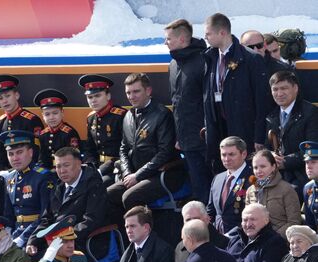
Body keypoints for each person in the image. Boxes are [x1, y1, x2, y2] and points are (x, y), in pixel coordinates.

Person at [107, 73, 182, 224]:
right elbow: (123, 149)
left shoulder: (162, 114)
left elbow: (165, 153)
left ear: (148, 91)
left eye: (136, 91)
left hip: (162, 174)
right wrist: (128, 173)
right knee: (107, 195)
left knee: (129, 197)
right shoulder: (128, 115)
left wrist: (138, 176)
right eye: (128, 92)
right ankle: (126, 237)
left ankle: (145, 236)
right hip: (134, 174)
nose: (131, 96)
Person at [202, 13, 268, 168]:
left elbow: (262, 100)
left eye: (208, 34)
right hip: (218, 128)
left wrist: (259, 136)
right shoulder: (209, 58)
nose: (206, 38)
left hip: (243, 129)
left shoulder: (251, 59)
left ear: (222, 33)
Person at [27, 147, 107, 258]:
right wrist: (33, 241)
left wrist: (63, 238)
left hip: (81, 243)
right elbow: (46, 219)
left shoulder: (93, 185)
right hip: (57, 241)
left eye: (66, 165)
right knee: (27, 254)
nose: (62, 170)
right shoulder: (58, 185)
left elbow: (91, 221)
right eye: (58, 166)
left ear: (79, 164)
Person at [164, 18, 212, 204]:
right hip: (186, 141)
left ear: (182, 39)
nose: (165, 43)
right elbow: (177, 104)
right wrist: (179, 136)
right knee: (199, 189)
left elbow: (209, 102)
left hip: (205, 139)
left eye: (168, 39)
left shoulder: (204, 61)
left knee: (212, 187)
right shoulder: (173, 64)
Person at [0, 130, 54, 251]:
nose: (15, 158)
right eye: (11, 154)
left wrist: (22, 238)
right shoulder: (9, 178)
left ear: (30, 152)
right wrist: (8, 235)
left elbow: (46, 216)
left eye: (19, 152)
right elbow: (8, 215)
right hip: (15, 235)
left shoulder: (43, 176)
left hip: (38, 237)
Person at [265, 71, 318, 194]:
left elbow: (313, 148)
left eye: (284, 88)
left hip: (302, 175)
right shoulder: (271, 115)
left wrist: (285, 162)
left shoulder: (311, 113)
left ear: (295, 88)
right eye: (275, 89)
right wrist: (271, 156)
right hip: (276, 174)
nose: (279, 93)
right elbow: (266, 146)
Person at [0, 74, 44, 171]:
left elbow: (36, 150)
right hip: (7, 171)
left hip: (29, 169)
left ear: (16, 95)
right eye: (0, 98)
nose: (5, 101)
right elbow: (0, 152)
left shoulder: (31, 120)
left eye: (8, 96)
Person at [78, 74, 127, 187]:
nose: (93, 100)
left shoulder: (120, 115)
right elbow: (89, 148)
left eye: (97, 96)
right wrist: (91, 166)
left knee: (96, 187)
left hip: (117, 167)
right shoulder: (91, 118)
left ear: (108, 96)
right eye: (90, 97)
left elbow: (126, 148)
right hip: (98, 167)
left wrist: (102, 169)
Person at [245, 149, 301, 239]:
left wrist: (273, 238)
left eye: (263, 166)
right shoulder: (250, 191)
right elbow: (246, 220)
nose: (258, 171)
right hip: (255, 242)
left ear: (274, 166)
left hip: (280, 243)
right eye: (255, 168)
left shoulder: (287, 189)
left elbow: (294, 222)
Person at [207, 136, 253, 234]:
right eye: (223, 155)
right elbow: (210, 212)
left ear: (243, 154)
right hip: (218, 237)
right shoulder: (217, 178)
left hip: (242, 237)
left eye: (231, 154)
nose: (227, 159)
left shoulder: (253, 177)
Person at [33, 88, 80, 170]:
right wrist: (39, 173)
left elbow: (74, 158)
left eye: (55, 113)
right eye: (47, 114)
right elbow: (42, 159)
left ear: (62, 113)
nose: (51, 117)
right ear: (43, 116)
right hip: (48, 171)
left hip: (65, 170)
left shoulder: (69, 133)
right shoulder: (43, 134)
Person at [303, 141, 318, 230]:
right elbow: (310, 224)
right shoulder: (308, 188)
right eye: (307, 162)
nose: (308, 166)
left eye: (313, 162)